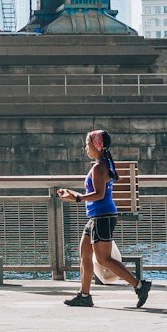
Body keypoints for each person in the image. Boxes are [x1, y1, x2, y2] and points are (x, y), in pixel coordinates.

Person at [58, 129, 152, 308]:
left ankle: (139, 285)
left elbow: (99, 195)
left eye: (88, 144)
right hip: (97, 216)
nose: (86, 147)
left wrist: (76, 197)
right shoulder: (103, 163)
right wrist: (74, 194)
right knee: (85, 251)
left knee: (104, 259)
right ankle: (84, 295)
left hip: (102, 216)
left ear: (97, 146)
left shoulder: (99, 167)